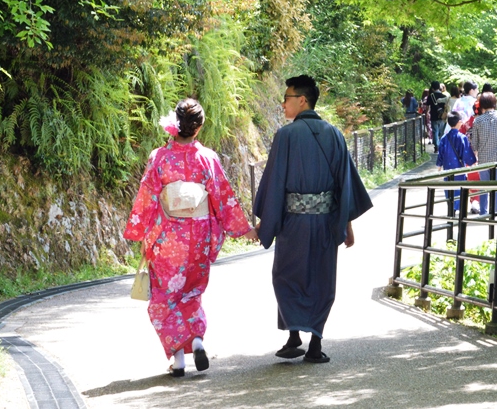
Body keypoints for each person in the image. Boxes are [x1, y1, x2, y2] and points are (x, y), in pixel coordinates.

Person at [123, 98, 257, 377]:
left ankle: (178, 360)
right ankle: (196, 340)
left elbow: (147, 197)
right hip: (198, 237)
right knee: (191, 292)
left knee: (165, 296)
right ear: (198, 128)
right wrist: (243, 229)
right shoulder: (208, 158)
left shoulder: (159, 157)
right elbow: (223, 198)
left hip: (167, 239)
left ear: (176, 124)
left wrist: (137, 230)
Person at [254, 75, 373, 364]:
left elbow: (276, 182)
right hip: (325, 222)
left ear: (302, 100)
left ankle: (295, 334)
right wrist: (346, 225)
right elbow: (344, 185)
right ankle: (313, 343)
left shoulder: (286, 135)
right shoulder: (334, 134)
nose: (283, 104)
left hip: (293, 222)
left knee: (286, 277)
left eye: (287, 98)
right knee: (321, 280)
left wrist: (266, 222)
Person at [468, 92, 497, 215]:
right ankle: (494, 212)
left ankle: (483, 212)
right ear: (495, 103)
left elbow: (475, 144)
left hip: (483, 159)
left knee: (484, 187)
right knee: (496, 186)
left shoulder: (478, 121)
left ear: (482, 104)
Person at [436, 112, 477, 213]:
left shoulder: (443, 138)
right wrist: (472, 162)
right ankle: (459, 209)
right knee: (459, 188)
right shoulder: (462, 137)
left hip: (447, 169)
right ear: (459, 122)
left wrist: (439, 165)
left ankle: (451, 208)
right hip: (459, 168)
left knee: (449, 188)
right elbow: (466, 152)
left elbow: (440, 154)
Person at [427, 81, 448, 153]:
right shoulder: (444, 96)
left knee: (435, 131)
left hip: (433, 115)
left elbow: (427, 106)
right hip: (442, 116)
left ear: (432, 88)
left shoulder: (431, 96)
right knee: (441, 132)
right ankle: (441, 145)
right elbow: (446, 107)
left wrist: (427, 113)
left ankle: (437, 146)